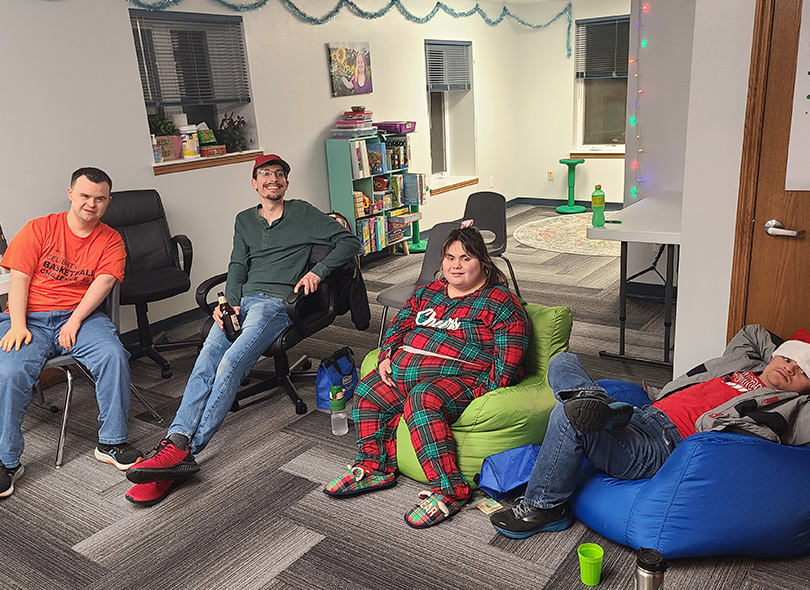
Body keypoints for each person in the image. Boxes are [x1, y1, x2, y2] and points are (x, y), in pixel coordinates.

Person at [124, 154, 361, 506]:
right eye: (265, 174)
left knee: (231, 362)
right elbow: (237, 265)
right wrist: (229, 303)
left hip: (275, 305)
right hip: (243, 303)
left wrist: (318, 272)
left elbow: (350, 242)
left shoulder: (304, 213)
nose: (273, 180)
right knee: (206, 359)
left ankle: (186, 449)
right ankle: (175, 440)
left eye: (280, 175)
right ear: (254, 183)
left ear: (286, 183)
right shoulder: (245, 220)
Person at [489, 324, 810, 539]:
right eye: (787, 358)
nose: (789, 368)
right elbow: (753, 331)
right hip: (642, 414)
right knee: (563, 360)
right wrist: (793, 351)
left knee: (566, 414)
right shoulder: (742, 362)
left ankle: (545, 507)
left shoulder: (790, 406)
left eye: (801, 371)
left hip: (664, 446)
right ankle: (589, 401)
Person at [324, 222, 530, 528]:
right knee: (368, 391)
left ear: (482, 263)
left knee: (423, 400)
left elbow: (508, 359)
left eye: (465, 258)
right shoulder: (429, 291)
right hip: (406, 372)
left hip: (459, 379)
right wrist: (386, 355)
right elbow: (400, 326)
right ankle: (374, 466)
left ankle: (451, 490)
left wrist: (485, 391)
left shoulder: (499, 302)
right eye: (449, 257)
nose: (455, 266)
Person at [0, 167, 143, 497]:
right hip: (30, 318)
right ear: (71, 194)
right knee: (10, 370)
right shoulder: (39, 228)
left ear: (108, 201)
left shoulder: (110, 239)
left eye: (99, 198)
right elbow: (19, 278)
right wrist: (19, 324)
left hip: (81, 317)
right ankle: (8, 462)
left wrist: (75, 320)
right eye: (84, 196)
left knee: (114, 355)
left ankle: (111, 443)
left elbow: (104, 282)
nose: (91, 204)